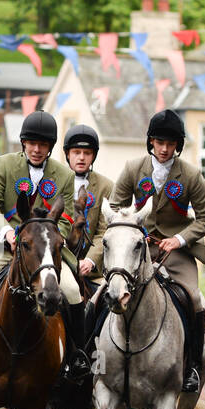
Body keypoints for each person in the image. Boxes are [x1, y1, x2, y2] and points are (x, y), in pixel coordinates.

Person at [0, 109, 85, 379]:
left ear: (51, 147)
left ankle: (78, 355)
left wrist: (45, 239)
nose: (37, 149)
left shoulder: (63, 175)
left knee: (73, 292)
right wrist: (7, 233)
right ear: (23, 143)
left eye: (43, 145)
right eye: (32, 143)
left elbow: (64, 221)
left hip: (44, 255)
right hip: (4, 248)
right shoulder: (4, 164)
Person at [110, 109, 205, 392]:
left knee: (194, 299)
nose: (165, 149)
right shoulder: (134, 168)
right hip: (138, 246)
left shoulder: (191, 175)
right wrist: (133, 229)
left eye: (170, 144)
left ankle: (192, 365)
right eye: (159, 142)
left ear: (178, 146)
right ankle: (92, 358)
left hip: (176, 250)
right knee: (103, 293)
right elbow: (113, 206)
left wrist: (180, 239)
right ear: (151, 142)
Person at [62, 123, 114, 288]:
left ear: (93, 156)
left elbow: (103, 231)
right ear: (68, 154)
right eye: (76, 152)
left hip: (92, 271)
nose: (82, 157)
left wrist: (91, 260)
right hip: (59, 262)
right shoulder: (54, 182)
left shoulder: (106, 186)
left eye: (87, 153)